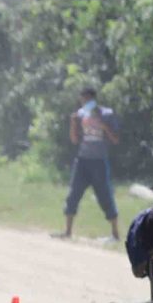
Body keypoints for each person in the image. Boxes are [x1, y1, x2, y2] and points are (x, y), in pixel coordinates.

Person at [62, 86, 120, 239]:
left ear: (94, 99)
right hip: (82, 160)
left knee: (105, 195)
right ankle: (67, 231)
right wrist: (73, 124)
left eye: (87, 99)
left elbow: (115, 139)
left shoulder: (107, 114)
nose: (85, 102)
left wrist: (104, 127)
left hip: (99, 161)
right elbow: (74, 140)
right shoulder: (80, 115)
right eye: (82, 100)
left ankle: (115, 233)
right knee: (74, 193)